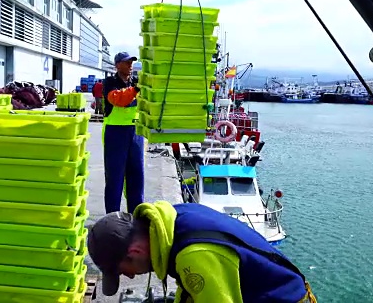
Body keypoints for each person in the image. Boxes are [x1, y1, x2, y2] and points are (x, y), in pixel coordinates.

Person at [87, 201, 317, 303]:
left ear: (135, 250)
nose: (128, 277)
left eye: (122, 271)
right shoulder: (172, 222)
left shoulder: (194, 254)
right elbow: (191, 288)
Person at [102, 52, 144, 214]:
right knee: (115, 178)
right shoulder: (110, 83)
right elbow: (117, 99)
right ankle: (113, 217)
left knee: (136, 176)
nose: (130, 65)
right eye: (127, 62)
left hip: (136, 134)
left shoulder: (135, 83)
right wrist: (135, 89)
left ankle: (136, 216)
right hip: (115, 134)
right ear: (118, 65)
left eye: (131, 62)